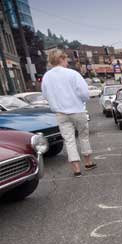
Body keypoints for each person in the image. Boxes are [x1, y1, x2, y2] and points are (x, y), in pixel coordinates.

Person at [41, 49, 96, 177]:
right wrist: (80, 100)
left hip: (60, 112)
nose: (67, 62)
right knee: (83, 136)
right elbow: (84, 93)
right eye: (65, 59)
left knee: (69, 140)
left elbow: (45, 95)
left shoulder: (47, 77)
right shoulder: (72, 74)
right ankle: (88, 162)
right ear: (61, 59)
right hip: (77, 110)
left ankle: (76, 169)